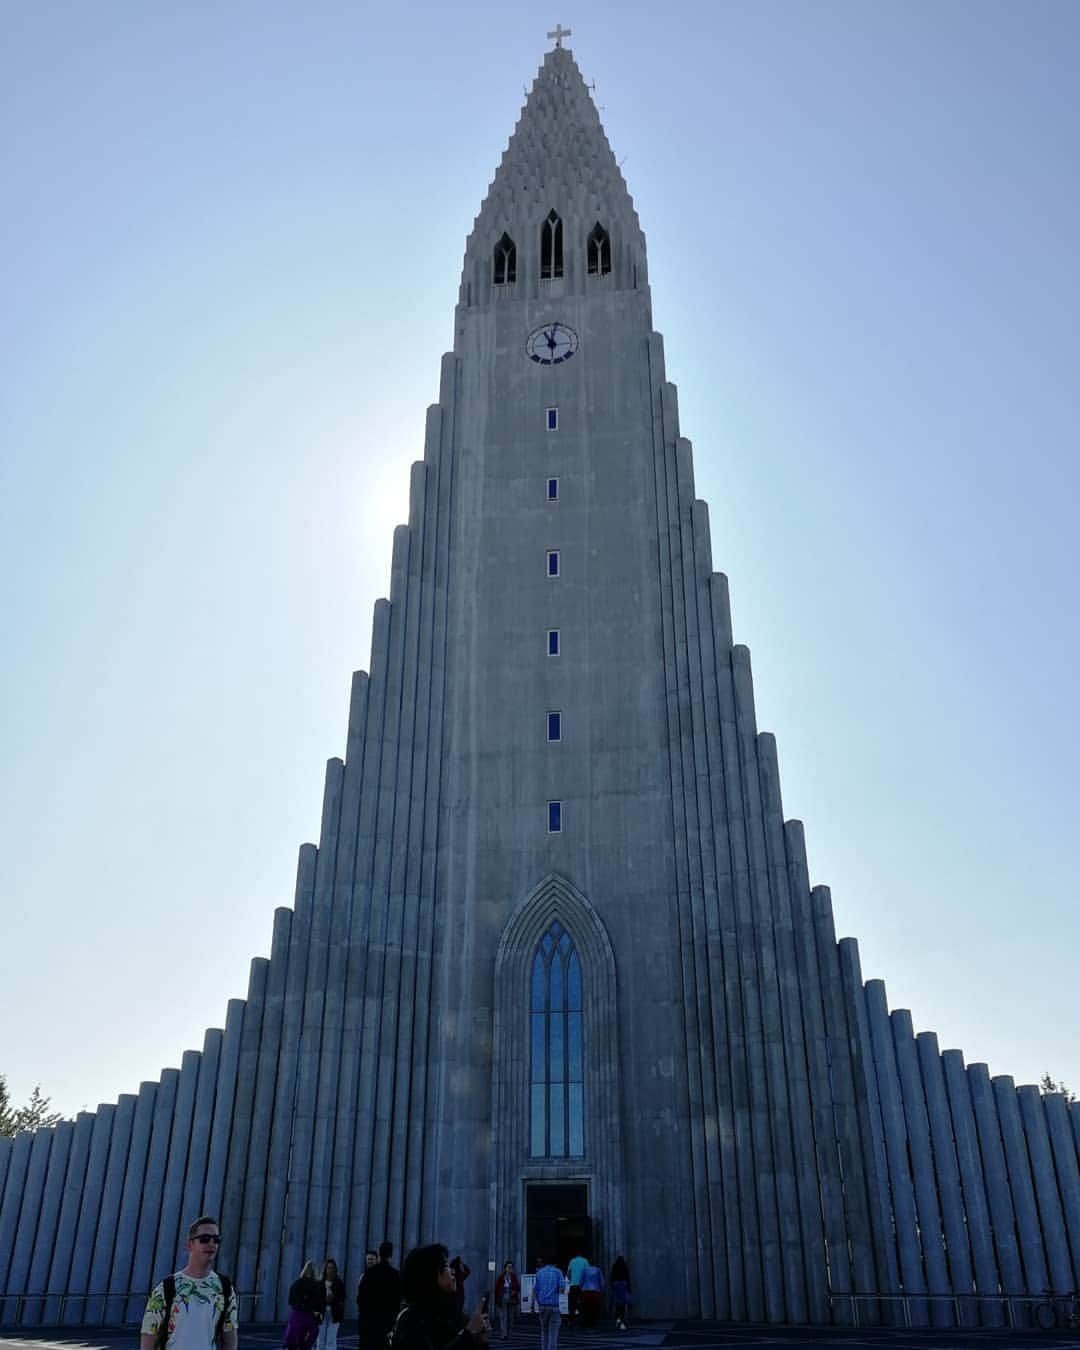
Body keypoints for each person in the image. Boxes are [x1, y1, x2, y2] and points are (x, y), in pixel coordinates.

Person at [140, 1215, 238, 1350]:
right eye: (204, 1239)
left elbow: (229, 1336)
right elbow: (149, 1338)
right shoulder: (166, 1288)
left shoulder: (225, 1288)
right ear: (189, 1245)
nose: (211, 1244)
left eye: (216, 1240)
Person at [390, 1243, 488, 1350]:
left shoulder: (454, 1314)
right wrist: (468, 1336)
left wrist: (480, 1341)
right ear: (429, 1274)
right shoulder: (411, 1321)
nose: (453, 1271)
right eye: (446, 1265)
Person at [357, 1241, 402, 1350]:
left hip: (368, 1325)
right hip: (386, 1325)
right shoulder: (395, 1275)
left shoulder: (368, 1274)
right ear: (391, 1255)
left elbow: (360, 1299)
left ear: (379, 1254)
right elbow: (397, 1301)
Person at [284, 1261, 324, 1350]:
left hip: (295, 1315)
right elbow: (317, 1303)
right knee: (308, 1340)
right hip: (308, 1316)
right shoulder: (316, 1285)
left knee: (293, 1342)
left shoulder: (296, 1284)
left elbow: (290, 1301)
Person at [529, 1256, 566, 1350]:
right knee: (553, 1334)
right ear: (555, 1264)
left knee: (544, 1331)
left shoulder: (540, 1272)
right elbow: (562, 1289)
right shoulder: (558, 1272)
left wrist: (533, 1305)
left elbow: (535, 1290)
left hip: (542, 1306)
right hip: (554, 1306)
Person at [316, 1260, 346, 1350]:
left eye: (332, 1268)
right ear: (325, 1269)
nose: (330, 1270)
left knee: (331, 1340)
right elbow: (315, 1298)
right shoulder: (319, 1283)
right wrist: (324, 1300)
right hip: (321, 1313)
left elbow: (343, 1297)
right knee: (320, 1339)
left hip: (335, 1314)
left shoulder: (339, 1282)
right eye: (328, 1268)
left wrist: (334, 1298)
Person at [491, 1261, 520, 1340]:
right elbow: (496, 1289)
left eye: (511, 1267)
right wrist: (497, 1300)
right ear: (505, 1268)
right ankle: (504, 1334)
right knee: (503, 1317)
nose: (510, 1268)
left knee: (510, 1317)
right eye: (508, 1267)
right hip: (503, 1297)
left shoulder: (513, 1277)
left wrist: (514, 1291)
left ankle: (510, 1333)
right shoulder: (501, 1277)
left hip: (511, 1298)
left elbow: (518, 1287)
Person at [608, 1258, 631, 1331]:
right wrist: (629, 1288)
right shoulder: (625, 1266)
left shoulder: (615, 1266)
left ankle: (618, 1320)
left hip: (616, 1284)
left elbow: (612, 1276)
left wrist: (612, 1285)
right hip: (623, 1284)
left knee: (617, 1304)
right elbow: (627, 1277)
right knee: (623, 1305)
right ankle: (621, 1321)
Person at [578, 1262, 602, 1330]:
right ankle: (593, 1322)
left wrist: (580, 1289)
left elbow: (581, 1281)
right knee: (594, 1307)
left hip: (586, 1291)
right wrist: (601, 1289)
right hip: (595, 1291)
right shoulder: (598, 1270)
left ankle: (586, 1322)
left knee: (585, 1307)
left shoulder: (584, 1270)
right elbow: (601, 1281)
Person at [565, 1253, 586, 1329]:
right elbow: (587, 1272)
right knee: (582, 1304)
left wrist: (572, 1280)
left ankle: (571, 1321)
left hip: (573, 1286)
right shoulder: (585, 1261)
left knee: (572, 1304)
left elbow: (568, 1274)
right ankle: (581, 1322)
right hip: (582, 1286)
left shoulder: (572, 1261)